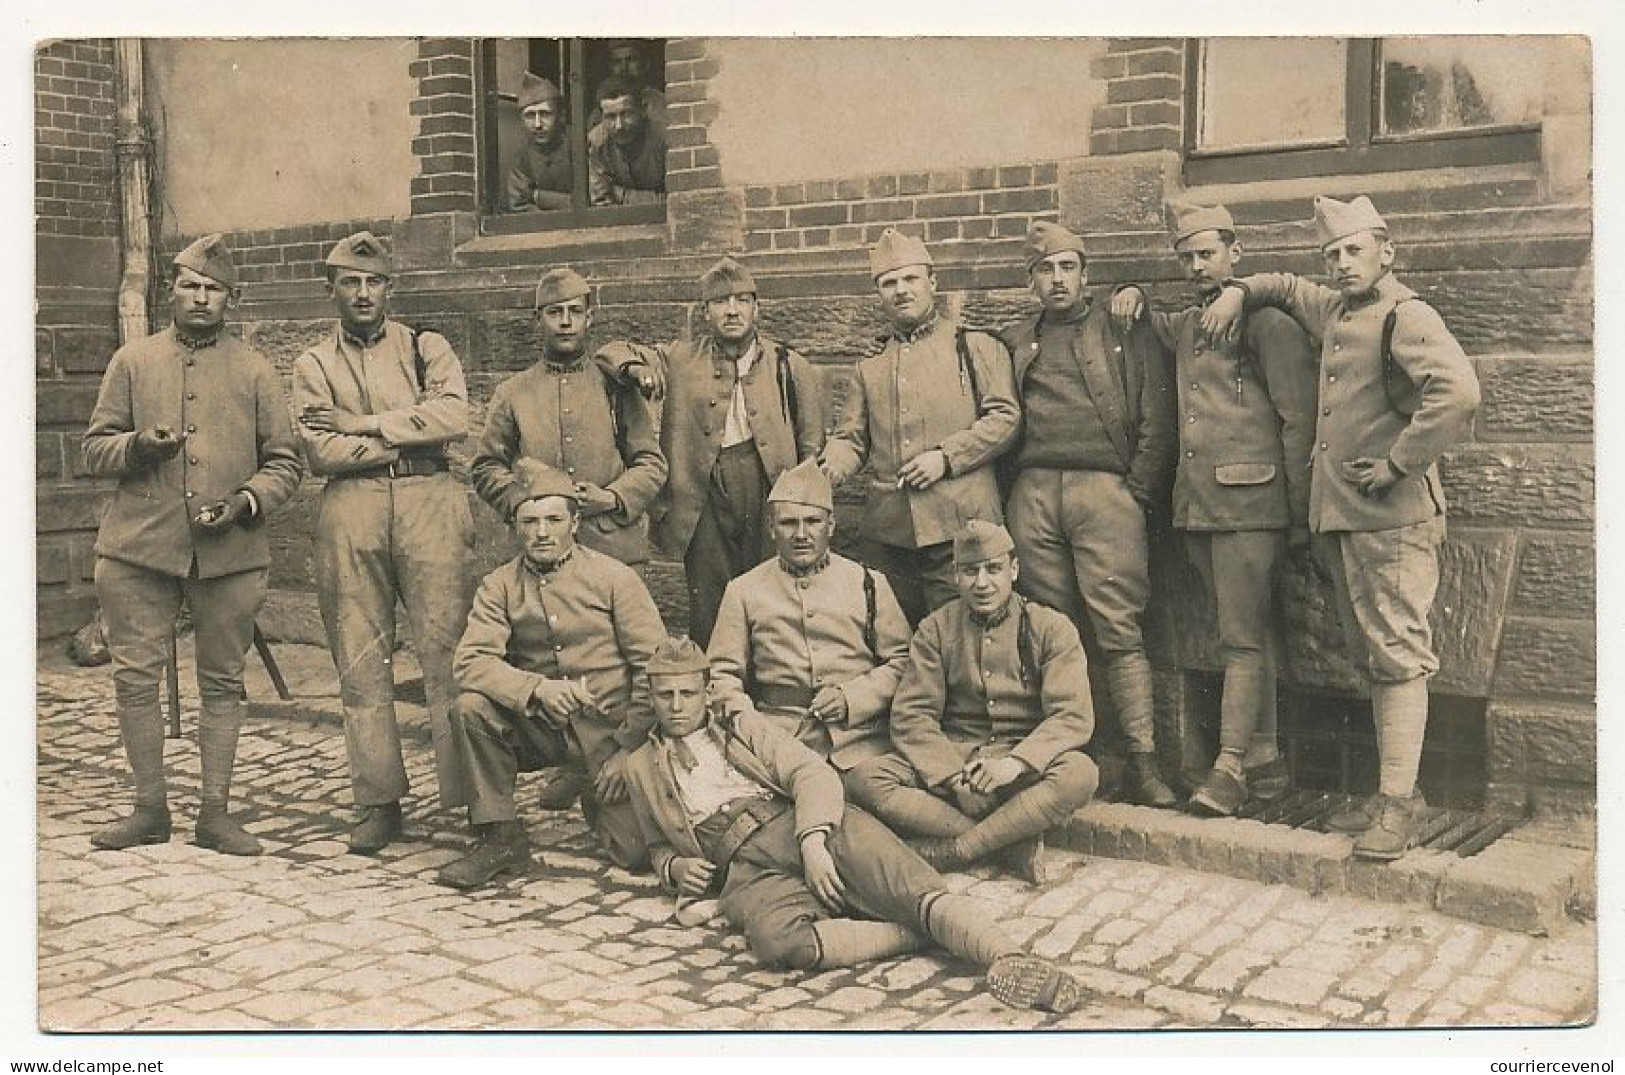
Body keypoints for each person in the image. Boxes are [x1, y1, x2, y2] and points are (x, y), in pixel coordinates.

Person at [1199, 194, 1480, 859]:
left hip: (1392, 522)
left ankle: (1394, 806)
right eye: (1332, 254)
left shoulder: (1406, 316)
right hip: (1343, 523)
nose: (1342, 262)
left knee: (1397, 656)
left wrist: (1397, 463)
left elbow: (1458, 392)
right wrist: (1239, 292)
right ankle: (1397, 795)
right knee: (1372, 658)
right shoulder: (1335, 307)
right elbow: (1285, 286)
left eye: (1353, 249)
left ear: (1387, 250)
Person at [623, 636, 1084, 1013]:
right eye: (666, 695)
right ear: (652, 696)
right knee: (777, 942)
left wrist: (813, 841)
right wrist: (675, 869)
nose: (678, 705)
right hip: (743, 866)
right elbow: (656, 845)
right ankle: (917, 933)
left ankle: (1008, 958)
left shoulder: (740, 726)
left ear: (707, 692)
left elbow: (810, 771)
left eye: (688, 693)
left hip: (801, 821)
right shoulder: (640, 767)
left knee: (908, 886)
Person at [81, 234, 302, 855]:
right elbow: (95, 448)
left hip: (230, 551)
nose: (201, 298)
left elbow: (286, 463)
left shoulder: (256, 369)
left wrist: (243, 502)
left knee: (224, 683)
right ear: (171, 292)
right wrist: (137, 448)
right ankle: (149, 808)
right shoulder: (133, 361)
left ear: (231, 299)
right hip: (137, 549)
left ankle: (215, 814)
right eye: (190, 286)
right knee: (133, 678)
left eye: (214, 289)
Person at [1107, 201, 1318, 815]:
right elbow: (1152, 322)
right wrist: (1131, 288)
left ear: (1236, 251)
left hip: (1253, 507)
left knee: (1241, 640)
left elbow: (1299, 421)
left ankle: (1229, 770)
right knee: (1247, 636)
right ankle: (1268, 764)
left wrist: (1299, 518)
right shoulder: (1191, 323)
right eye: (1187, 257)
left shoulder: (1267, 324)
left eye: (1207, 253)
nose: (1198, 266)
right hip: (1199, 507)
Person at [292, 231, 475, 855]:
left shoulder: (428, 348)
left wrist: (365, 424)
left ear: (388, 288)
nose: (362, 293)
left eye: (373, 282)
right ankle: (378, 800)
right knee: (360, 653)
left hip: (430, 501)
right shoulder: (314, 363)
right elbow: (321, 450)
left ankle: (476, 797)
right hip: (353, 506)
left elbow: (454, 418)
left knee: (448, 648)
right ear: (332, 291)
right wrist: (405, 434)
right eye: (350, 282)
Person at [997, 221, 1178, 808]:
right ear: (1031, 281)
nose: (1057, 280)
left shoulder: (1122, 325)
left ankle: (1143, 760)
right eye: (1045, 270)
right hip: (1033, 493)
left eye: (1067, 267)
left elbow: (1157, 412)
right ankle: (1073, 756)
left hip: (1105, 490)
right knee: (1051, 630)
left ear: (1085, 273)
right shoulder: (1016, 338)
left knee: (1119, 628)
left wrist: (1136, 493)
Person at [436, 463, 667, 889]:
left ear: (575, 523)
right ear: (516, 527)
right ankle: (500, 834)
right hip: (543, 728)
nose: (542, 532)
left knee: (632, 850)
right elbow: (470, 662)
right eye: (530, 521)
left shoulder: (615, 579)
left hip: (609, 734)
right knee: (470, 708)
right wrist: (537, 689)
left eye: (554, 520)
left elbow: (655, 670)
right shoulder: (500, 585)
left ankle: (590, 782)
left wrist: (627, 751)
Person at [849, 521, 1098, 885]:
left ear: (1013, 570)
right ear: (955, 576)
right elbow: (912, 715)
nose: (982, 583)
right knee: (866, 779)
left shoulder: (1052, 628)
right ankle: (1009, 843)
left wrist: (1016, 763)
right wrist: (952, 777)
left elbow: (1071, 715)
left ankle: (960, 850)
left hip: (1021, 766)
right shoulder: (935, 629)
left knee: (1081, 773)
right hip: (956, 759)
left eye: (993, 569)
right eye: (970, 571)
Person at [597, 256, 824, 646]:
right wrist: (636, 370)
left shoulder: (789, 365)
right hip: (702, 494)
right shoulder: (680, 359)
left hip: (769, 489)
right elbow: (613, 351)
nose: (732, 310)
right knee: (710, 603)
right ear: (705, 312)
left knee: (771, 591)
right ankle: (715, 689)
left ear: (757, 308)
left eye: (741, 300)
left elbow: (811, 447)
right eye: (720, 302)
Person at [819, 228, 1021, 624]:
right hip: (891, 533)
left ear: (933, 282)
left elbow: (1005, 417)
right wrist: (828, 470)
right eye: (888, 283)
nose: (901, 290)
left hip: (961, 529)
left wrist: (945, 459)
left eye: (910, 278)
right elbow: (851, 438)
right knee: (896, 639)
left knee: (963, 635)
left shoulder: (973, 345)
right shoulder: (870, 365)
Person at [707, 459, 911, 790]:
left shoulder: (868, 583)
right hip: (779, 738)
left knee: (876, 799)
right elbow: (722, 676)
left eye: (812, 521)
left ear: (830, 525)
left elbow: (904, 663)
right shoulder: (744, 590)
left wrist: (852, 697)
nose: (801, 535)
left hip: (860, 741)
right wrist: (754, 729)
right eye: (788, 523)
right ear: (772, 528)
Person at [470, 266, 666, 569]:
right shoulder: (513, 392)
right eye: (554, 312)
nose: (565, 322)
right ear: (538, 319)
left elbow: (651, 463)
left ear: (589, 318)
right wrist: (527, 500)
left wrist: (613, 498)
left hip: (611, 550)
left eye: (575, 312)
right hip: (539, 550)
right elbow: (486, 467)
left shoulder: (616, 386)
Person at [587, 75, 666, 206]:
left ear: (643, 110)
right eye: (610, 117)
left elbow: (676, 200)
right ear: (601, 117)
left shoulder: (663, 138)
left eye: (626, 114)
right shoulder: (597, 142)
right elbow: (602, 202)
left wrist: (622, 194)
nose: (619, 126)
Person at [504, 72, 573, 213]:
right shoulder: (522, 155)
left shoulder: (577, 143)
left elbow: (587, 201)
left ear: (561, 116)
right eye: (530, 115)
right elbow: (518, 205)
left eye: (545, 114)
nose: (537, 124)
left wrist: (537, 196)